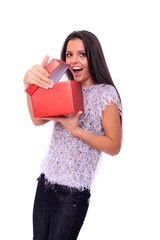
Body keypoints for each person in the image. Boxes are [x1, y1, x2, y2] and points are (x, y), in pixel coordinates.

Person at [23, 30, 122, 240]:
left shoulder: (106, 94)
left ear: (93, 57)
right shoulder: (63, 88)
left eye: (81, 54)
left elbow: (114, 146)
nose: (74, 60)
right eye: (69, 54)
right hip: (45, 184)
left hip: (71, 194)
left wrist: (75, 130)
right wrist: (29, 88)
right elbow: (37, 119)